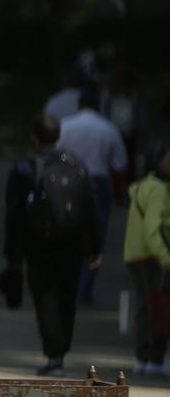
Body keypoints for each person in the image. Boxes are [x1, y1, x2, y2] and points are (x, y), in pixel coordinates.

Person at [2, 116, 96, 375]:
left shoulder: (25, 168)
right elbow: (90, 208)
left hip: (38, 244)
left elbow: (14, 214)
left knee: (45, 297)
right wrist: (94, 246)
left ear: (34, 137)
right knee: (67, 296)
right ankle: (61, 349)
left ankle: (54, 352)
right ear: (59, 137)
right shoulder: (76, 165)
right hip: (73, 244)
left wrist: (13, 254)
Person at [57, 84, 128, 305]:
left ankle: (65, 284)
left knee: (68, 233)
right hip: (98, 182)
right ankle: (84, 289)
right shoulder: (108, 128)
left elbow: (55, 153)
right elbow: (120, 162)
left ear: (79, 105)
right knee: (94, 237)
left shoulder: (66, 125)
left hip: (68, 179)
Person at [122, 141, 170, 376]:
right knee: (159, 308)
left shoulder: (141, 186)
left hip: (134, 254)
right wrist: (164, 256)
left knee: (143, 307)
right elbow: (153, 228)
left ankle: (142, 357)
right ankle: (156, 358)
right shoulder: (159, 189)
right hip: (151, 256)